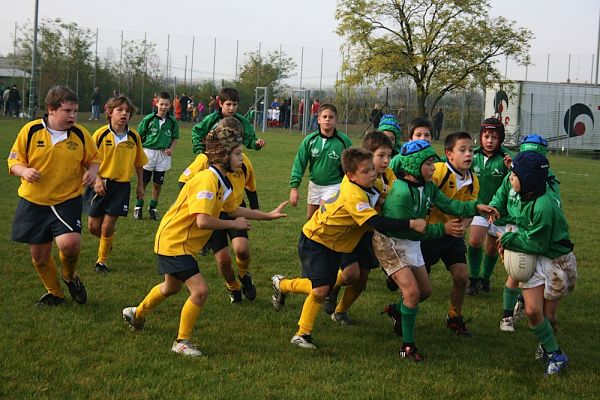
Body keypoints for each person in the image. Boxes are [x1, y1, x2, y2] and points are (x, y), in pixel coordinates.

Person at [122, 126, 287, 357]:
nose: (242, 158)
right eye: (238, 154)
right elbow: (203, 221)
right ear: (222, 154)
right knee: (200, 291)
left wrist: (267, 215)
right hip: (175, 242)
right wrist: (234, 225)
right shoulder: (208, 180)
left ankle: (137, 313)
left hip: (177, 242)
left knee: (171, 287)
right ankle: (181, 341)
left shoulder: (222, 180)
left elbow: (232, 209)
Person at [272, 147, 424, 350]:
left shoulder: (370, 183)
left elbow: (392, 192)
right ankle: (302, 334)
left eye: (372, 169)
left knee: (334, 281)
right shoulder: (353, 195)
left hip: (339, 243)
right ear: (351, 175)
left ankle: (282, 285)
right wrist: (410, 224)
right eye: (366, 171)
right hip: (317, 240)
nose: (372, 174)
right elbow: (377, 222)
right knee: (320, 290)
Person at [372, 140, 495, 361]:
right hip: (391, 243)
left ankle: (397, 310)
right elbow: (413, 232)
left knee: (425, 291)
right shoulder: (401, 193)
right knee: (412, 293)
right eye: (429, 163)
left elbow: (449, 205)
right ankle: (408, 347)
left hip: (410, 241)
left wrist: (475, 207)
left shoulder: (427, 185)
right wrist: (443, 229)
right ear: (414, 165)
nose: (433, 167)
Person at [8, 85, 100, 306]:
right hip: (33, 201)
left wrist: (92, 172)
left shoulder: (79, 133)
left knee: (70, 245)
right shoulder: (30, 131)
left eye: (75, 111)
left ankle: (69, 276)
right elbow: (13, 162)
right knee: (39, 256)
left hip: (66, 199)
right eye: (68, 111)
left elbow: (94, 159)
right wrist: (24, 171)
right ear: (51, 109)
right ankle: (55, 292)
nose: (73, 116)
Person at [489, 151, 576, 376]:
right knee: (532, 311)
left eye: (515, 174)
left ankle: (549, 348)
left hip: (556, 260)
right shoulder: (518, 192)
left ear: (528, 179)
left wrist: (507, 240)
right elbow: (521, 231)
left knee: (548, 316)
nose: (510, 178)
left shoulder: (544, 206)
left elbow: (537, 244)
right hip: (532, 252)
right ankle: (556, 354)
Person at [179, 117, 260, 303]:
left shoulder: (243, 162)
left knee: (242, 249)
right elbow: (184, 181)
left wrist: (256, 209)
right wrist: (195, 207)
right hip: (213, 214)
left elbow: (251, 186)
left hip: (235, 209)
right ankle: (233, 286)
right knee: (223, 260)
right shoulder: (204, 160)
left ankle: (244, 274)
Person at [324, 132, 397, 325]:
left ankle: (340, 312)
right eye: (381, 156)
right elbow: (381, 197)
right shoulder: (354, 180)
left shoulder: (389, 175)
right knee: (350, 274)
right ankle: (333, 285)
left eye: (389, 156)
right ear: (367, 156)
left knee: (361, 279)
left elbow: (393, 194)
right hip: (350, 231)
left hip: (369, 233)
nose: (386, 161)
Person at [494, 134, 561, 333]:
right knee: (516, 272)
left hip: (536, 231)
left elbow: (552, 207)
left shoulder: (547, 182)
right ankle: (507, 316)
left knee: (533, 273)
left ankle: (534, 308)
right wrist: (494, 208)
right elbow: (500, 196)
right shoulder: (511, 177)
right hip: (515, 228)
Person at [418, 132, 479, 337]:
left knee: (462, 276)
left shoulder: (473, 181)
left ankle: (454, 316)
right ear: (449, 155)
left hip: (452, 237)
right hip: (429, 235)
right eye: (462, 150)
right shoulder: (438, 173)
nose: (468, 154)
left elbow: (468, 211)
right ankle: (400, 311)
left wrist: (463, 226)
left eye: (471, 150)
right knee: (420, 289)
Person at [87, 95, 147, 273]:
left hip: (121, 186)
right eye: (120, 110)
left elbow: (139, 163)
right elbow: (88, 160)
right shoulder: (100, 134)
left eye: (127, 111)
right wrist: (96, 179)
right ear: (109, 112)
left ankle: (101, 261)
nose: (124, 114)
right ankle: (107, 241)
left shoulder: (134, 136)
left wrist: (140, 186)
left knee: (107, 226)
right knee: (93, 227)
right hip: (99, 184)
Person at [467, 118, 512, 295]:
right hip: (479, 207)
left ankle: (485, 279)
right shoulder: (473, 155)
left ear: (500, 139)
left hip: (498, 211)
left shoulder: (506, 158)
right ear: (481, 137)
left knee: (492, 248)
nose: (490, 140)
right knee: (475, 240)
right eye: (486, 136)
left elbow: (515, 181)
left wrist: (512, 168)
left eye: (494, 137)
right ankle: (474, 278)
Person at [289, 103, 352, 220]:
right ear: (318, 120)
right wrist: (294, 188)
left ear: (335, 121)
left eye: (331, 117)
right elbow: (299, 163)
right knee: (311, 218)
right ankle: (312, 239)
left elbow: (353, 164)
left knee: (324, 216)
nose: (327, 119)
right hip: (314, 185)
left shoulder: (344, 141)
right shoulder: (310, 140)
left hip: (334, 185)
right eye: (324, 117)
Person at [135, 91, 179, 221]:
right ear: (156, 104)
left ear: (170, 105)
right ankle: (138, 207)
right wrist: (140, 151)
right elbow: (139, 135)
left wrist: (171, 149)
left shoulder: (172, 121)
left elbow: (175, 138)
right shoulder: (148, 119)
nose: (164, 107)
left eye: (166, 105)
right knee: (144, 182)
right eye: (161, 104)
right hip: (149, 153)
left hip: (163, 156)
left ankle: (153, 207)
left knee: (158, 183)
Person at [192, 87, 265, 155]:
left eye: (235, 104)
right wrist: (199, 149)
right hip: (211, 158)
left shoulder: (241, 121)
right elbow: (197, 132)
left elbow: (249, 139)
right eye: (228, 104)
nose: (232, 108)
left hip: (231, 160)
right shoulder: (211, 119)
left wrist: (256, 143)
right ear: (221, 103)